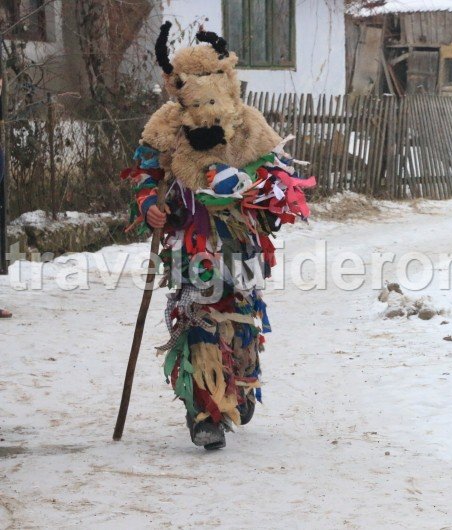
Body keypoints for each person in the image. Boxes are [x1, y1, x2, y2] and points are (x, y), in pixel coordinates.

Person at [124, 23, 314, 450]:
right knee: (197, 315)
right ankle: (206, 411)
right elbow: (145, 172)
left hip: (241, 240)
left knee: (241, 313)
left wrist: (248, 183)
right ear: (178, 89)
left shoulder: (248, 123)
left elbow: (275, 172)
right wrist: (148, 204)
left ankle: (240, 384)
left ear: (227, 82)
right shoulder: (167, 125)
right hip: (190, 243)